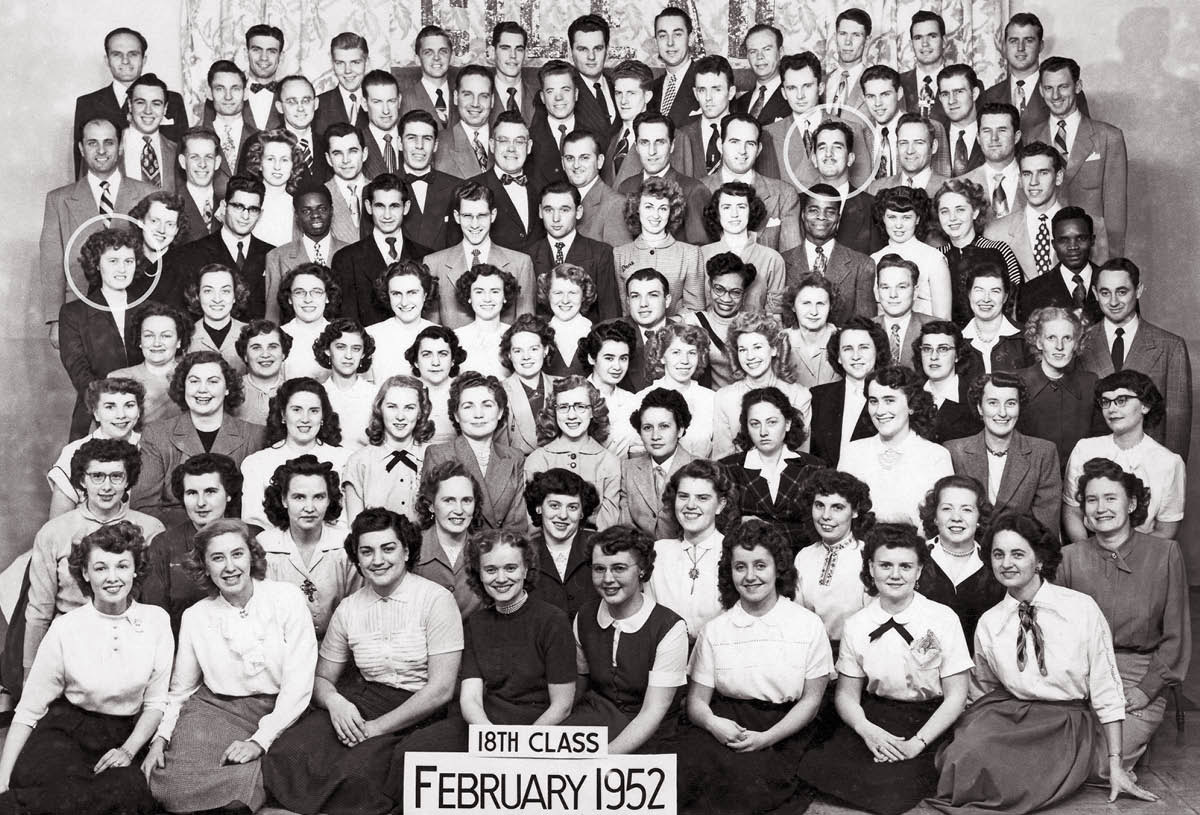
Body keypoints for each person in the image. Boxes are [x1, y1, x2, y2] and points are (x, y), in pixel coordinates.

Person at [930, 513, 1157, 812]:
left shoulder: (1080, 609)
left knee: (1013, 784)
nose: (1006, 563)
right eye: (998, 554)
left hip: (1064, 721)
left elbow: (1106, 686)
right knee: (963, 759)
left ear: (1039, 560)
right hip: (1009, 713)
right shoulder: (991, 622)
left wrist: (1116, 764)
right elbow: (982, 688)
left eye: (1018, 554)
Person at [261, 508, 461, 814]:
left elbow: (441, 690)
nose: (377, 560)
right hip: (363, 700)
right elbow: (322, 678)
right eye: (366, 551)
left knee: (359, 775)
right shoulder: (349, 608)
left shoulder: (435, 600)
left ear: (406, 551)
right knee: (289, 752)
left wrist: (377, 728)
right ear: (357, 558)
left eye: (388, 548)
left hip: (420, 709)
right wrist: (336, 703)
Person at [143, 519, 318, 813]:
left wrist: (259, 741)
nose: (229, 567)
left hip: (280, 708)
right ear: (205, 566)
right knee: (171, 784)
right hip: (215, 709)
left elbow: (299, 685)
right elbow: (180, 691)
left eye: (237, 554)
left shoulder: (286, 599)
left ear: (252, 556)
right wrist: (160, 738)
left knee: (252, 779)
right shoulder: (196, 616)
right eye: (217, 558)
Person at [797, 522, 972, 815]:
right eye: (885, 565)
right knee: (814, 766)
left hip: (928, 717)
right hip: (877, 714)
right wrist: (867, 731)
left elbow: (956, 697)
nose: (895, 574)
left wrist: (918, 743)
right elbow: (847, 696)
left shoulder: (942, 618)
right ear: (871, 569)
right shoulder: (857, 624)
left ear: (918, 571)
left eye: (905, 566)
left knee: (893, 790)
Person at [0, 523, 171, 815]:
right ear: (85, 574)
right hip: (67, 731)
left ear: (135, 571)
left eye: (122, 566)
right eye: (101, 568)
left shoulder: (157, 621)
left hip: (124, 735)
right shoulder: (66, 628)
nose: (113, 577)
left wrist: (128, 750)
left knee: (129, 792)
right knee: (48, 785)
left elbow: (155, 704)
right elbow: (28, 710)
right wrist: (1, 781)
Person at [677, 519, 833, 815]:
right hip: (726, 723)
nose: (750, 576)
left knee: (745, 789)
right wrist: (713, 724)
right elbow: (696, 702)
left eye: (760, 565)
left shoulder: (807, 625)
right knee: (684, 776)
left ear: (778, 569)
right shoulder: (716, 630)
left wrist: (765, 738)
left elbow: (812, 702)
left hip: (784, 730)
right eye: (740, 567)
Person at [1058, 459, 1192, 774]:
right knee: (1048, 756)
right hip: (1081, 680)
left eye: (1110, 498)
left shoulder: (1166, 555)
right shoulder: (1068, 559)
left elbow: (1176, 638)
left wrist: (1146, 690)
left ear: (1131, 503)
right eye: (1091, 500)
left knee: (1099, 767)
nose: (1100, 507)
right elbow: (1055, 635)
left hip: (1136, 678)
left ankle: (1132, 743)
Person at [398, 529, 576, 751]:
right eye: (491, 570)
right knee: (414, 748)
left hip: (540, 726)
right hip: (487, 725)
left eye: (510, 568)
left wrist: (523, 744)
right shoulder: (476, 623)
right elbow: (470, 699)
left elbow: (562, 706)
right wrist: (490, 737)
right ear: (479, 574)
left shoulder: (553, 620)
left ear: (525, 570)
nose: (501, 579)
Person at [24, 439, 165, 679]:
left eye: (116, 477)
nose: (106, 486)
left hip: (131, 645)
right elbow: (40, 610)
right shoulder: (54, 532)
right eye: (97, 476)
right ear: (82, 480)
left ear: (128, 480)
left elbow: (156, 610)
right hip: (70, 644)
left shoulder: (151, 529)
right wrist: (30, 674)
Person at [563, 525, 688, 753]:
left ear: (641, 569)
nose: (607, 579)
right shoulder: (585, 616)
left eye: (619, 568)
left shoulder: (670, 628)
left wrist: (601, 759)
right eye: (599, 569)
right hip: (596, 721)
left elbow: (653, 712)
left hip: (650, 732)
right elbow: (578, 686)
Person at [43, 117, 157, 347]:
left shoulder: (148, 194)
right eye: (92, 143)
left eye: (109, 142)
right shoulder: (59, 200)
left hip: (136, 310)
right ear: (81, 148)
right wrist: (56, 319)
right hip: (81, 310)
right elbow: (51, 262)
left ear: (121, 146)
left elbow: (158, 257)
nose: (102, 150)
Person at [133, 350, 265, 525]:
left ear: (227, 389)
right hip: (176, 537)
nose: (202, 389)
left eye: (213, 381)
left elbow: (257, 509)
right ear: (183, 386)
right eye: (194, 381)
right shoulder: (156, 434)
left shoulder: (256, 435)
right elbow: (143, 507)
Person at [1079, 257, 1192, 460]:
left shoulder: (1170, 347)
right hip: (1096, 472)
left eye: (1122, 292)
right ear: (1095, 294)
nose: (1113, 302)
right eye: (1105, 293)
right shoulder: (1080, 344)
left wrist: (1172, 476)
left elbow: (1177, 428)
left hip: (1149, 469)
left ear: (1138, 290)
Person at [1063, 371, 1185, 542]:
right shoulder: (1085, 449)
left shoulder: (1169, 462)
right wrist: (1088, 555)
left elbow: (1166, 531)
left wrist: (1129, 559)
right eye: (1106, 402)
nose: (1112, 409)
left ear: (1145, 405)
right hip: (1089, 550)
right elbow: (1072, 512)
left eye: (1121, 401)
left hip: (1142, 557)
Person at [1030, 56, 1127, 255]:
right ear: (1041, 91)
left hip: (1094, 249)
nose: (1055, 95)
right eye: (1048, 88)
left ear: (1078, 86)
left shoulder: (1108, 137)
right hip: (1046, 249)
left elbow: (1115, 209)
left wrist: (1113, 261)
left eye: (1063, 87)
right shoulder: (1031, 138)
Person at [140, 452, 245, 636]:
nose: (201, 503)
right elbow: (155, 617)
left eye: (210, 492)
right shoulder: (163, 544)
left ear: (228, 494)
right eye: (192, 493)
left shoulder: (250, 536)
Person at [945, 372, 1062, 532]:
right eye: (993, 403)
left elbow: (1045, 527)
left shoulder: (1043, 453)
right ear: (980, 407)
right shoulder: (953, 451)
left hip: (1021, 550)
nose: (1002, 413)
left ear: (1020, 407)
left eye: (1011, 403)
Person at [259, 455, 359, 637]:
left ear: (329, 500)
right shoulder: (265, 546)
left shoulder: (346, 546)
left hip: (341, 650)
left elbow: (357, 612)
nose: (309, 507)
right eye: (299, 497)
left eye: (319, 497)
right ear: (283, 500)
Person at [841, 365, 954, 526]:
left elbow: (941, 522)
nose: (879, 411)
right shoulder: (852, 452)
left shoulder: (936, 456)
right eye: (874, 401)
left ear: (912, 406)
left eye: (889, 400)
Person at [58, 228, 144, 439]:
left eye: (129, 261)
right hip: (94, 415)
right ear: (96, 264)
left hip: (145, 416)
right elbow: (79, 370)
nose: (122, 269)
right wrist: (112, 408)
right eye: (113, 261)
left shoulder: (150, 310)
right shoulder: (73, 313)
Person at [239, 376, 352, 531]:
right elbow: (255, 523)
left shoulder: (345, 460)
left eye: (313, 411)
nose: (305, 419)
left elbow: (347, 522)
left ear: (323, 416)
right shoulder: (256, 463)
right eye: (297, 410)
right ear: (283, 415)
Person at [990, 142, 1109, 285]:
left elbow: (1102, 286)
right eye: (1027, 174)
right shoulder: (995, 232)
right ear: (1020, 179)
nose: (1034, 182)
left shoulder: (1094, 225)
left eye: (1043, 173)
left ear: (1058, 177)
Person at [645, 459, 739, 639]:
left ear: (720, 505)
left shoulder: (734, 552)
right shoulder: (658, 552)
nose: (690, 505)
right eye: (683, 496)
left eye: (702, 498)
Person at [72, 27, 189, 171]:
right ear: (107, 60)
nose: (125, 61)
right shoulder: (88, 104)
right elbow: (82, 165)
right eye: (117, 54)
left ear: (144, 59)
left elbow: (185, 154)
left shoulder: (173, 100)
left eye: (133, 54)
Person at [424, 370, 528, 531]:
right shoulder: (439, 455)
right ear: (456, 415)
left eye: (487, 405)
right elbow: (430, 521)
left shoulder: (515, 458)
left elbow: (516, 526)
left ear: (500, 412)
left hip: (500, 551)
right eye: (468, 406)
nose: (478, 414)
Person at [424, 180, 536, 328]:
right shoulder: (434, 264)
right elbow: (432, 334)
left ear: (493, 215)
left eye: (482, 216)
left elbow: (526, 331)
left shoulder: (521, 264)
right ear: (457, 216)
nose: (475, 224)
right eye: (467, 216)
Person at [720, 386, 824, 541]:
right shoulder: (727, 469)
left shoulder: (814, 467)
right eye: (755, 424)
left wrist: (759, 527)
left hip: (800, 560)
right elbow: (722, 525)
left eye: (772, 422)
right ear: (747, 427)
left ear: (788, 424)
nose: (763, 432)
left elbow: (818, 527)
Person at [915, 474, 1005, 648]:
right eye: (947, 508)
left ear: (980, 518)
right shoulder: (915, 558)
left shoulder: (995, 564)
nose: (956, 517)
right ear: (934, 516)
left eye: (967, 509)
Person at [331, 172, 429, 326]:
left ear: (406, 207)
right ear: (368, 207)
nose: (387, 215)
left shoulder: (427, 256)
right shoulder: (346, 259)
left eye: (394, 206)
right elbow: (347, 322)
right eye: (380, 206)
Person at [172, 174, 275, 319]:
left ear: (260, 214)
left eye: (252, 209)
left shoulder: (272, 255)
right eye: (238, 206)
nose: (245, 216)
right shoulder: (192, 253)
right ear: (223, 206)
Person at [526, 375, 621, 528]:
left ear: (593, 411)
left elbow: (608, 525)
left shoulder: (609, 462)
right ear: (554, 412)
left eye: (580, 407)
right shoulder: (537, 460)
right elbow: (533, 523)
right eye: (563, 407)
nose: (571, 416)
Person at [713, 312, 812, 459]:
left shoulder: (799, 395)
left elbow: (802, 459)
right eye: (742, 350)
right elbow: (722, 458)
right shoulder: (725, 397)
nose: (750, 356)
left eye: (757, 347)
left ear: (774, 349)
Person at [700, 113, 803, 254]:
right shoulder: (698, 190)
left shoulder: (784, 194)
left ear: (759, 149)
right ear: (720, 144)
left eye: (750, 143)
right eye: (734, 142)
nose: (742, 151)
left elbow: (793, 259)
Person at [1016, 306, 1105, 468]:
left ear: (1076, 343)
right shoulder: (1017, 383)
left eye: (1067, 338)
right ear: (1038, 342)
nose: (1059, 346)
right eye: (1051, 338)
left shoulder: (1090, 385)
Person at [793, 468, 873, 643]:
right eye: (819, 505)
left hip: (856, 652)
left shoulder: (868, 556)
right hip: (810, 650)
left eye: (837, 507)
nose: (825, 516)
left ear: (855, 511)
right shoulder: (804, 557)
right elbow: (796, 618)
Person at [47, 377, 145, 517]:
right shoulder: (74, 451)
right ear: (96, 413)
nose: (121, 415)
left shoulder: (151, 446)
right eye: (110, 407)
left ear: (139, 411)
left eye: (129, 405)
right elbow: (58, 522)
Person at [344, 374, 435, 524]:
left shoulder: (435, 456)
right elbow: (355, 531)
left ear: (420, 412)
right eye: (392, 407)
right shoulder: (359, 462)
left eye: (409, 408)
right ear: (380, 409)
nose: (400, 416)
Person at [780, 184, 876, 325]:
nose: (821, 217)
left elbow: (865, 326)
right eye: (813, 210)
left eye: (830, 212)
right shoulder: (782, 262)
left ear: (838, 218)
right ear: (803, 215)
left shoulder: (861, 264)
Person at [934, 178, 1025, 326]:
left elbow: (1015, 303)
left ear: (975, 212)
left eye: (960, 210)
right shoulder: (936, 257)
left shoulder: (999, 250)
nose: (952, 218)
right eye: (945, 211)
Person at [980, 12, 1091, 133]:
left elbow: (1083, 139)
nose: (1020, 48)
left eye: (1028, 40)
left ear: (1041, 46)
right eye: (1013, 41)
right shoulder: (989, 96)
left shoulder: (1066, 92)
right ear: (1004, 47)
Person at [531, 180, 620, 322]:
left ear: (578, 212)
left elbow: (610, 314)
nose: (556, 218)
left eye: (564, 210)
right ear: (540, 212)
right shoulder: (528, 256)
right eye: (549, 210)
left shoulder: (600, 253)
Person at [615, 112, 710, 244]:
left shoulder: (693, 190)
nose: (652, 151)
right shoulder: (626, 187)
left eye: (659, 142)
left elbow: (700, 251)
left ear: (672, 146)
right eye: (644, 142)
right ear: (636, 147)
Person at [614, 177, 705, 315]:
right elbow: (624, 309)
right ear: (637, 209)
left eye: (663, 208)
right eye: (649, 207)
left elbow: (695, 309)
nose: (655, 215)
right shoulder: (620, 254)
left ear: (672, 212)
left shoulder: (690, 254)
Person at [809, 317, 890, 466]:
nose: (856, 356)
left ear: (877, 352)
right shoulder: (817, 397)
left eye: (864, 347)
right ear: (839, 357)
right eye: (847, 349)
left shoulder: (892, 399)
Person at [263, 183, 348, 322]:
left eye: (322, 209)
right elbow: (273, 315)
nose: (315, 215)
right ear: (296, 215)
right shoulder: (277, 256)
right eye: (306, 211)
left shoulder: (350, 252)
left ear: (331, 211)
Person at [525, 468, 600, 618]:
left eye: (572, 507)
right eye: (554, 505)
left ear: (582, 512)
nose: (563, 515)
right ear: (539, 507)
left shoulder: (600, 547)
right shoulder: (524, 553)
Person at [700, 183, 785, 314]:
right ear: (717, 213)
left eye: (741, 207)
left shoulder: (772, 259)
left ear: (751, 211)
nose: (734, 214)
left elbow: (775, 315)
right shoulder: (701, 255)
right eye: (726, 207)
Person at [620, 388, 692, 540]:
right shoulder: (627, 469)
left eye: (664, 426)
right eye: (647, 428)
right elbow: (625, 527)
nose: (655, 436)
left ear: (680, 430)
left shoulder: (700, 469)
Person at [870, 187, 952, 320]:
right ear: (883, 218)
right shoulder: (873, 259)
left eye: (906, 217)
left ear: (918, 219)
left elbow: (944, 318)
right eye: (892, 217)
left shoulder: (934, 259)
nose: (898, 225)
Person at [468, 110, 545, 250]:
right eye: (503, 141)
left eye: (519, 141)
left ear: (529, 147)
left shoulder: (543, 188)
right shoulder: (471, 188)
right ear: (491, 145)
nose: (511, 148)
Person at [635, 323, 715, 458]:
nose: (685, 361)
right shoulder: (640, 399)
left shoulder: (712, 399)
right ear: (661, 356)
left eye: (692, 353)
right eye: (676, 352)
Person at [1015, 206, 1104, 325]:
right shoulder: (1031, 292)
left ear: (1092, 240)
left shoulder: (1112, 283)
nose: (1073, 247)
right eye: (1064, 240)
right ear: (1054, 244)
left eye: (1081, 238)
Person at [108, 301, 191, 426]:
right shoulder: (118, 378)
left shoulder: (193, 377)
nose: (157, 343)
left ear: (179, 341)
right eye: (149, 335)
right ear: (140, 340)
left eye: (166, 336)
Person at [682, 252, 753, 390]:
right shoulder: (694, 322)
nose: (726, 299)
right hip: (711, 401)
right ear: (710, 285)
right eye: (719, 289)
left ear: (744, 293)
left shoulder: (752, 324)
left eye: (735, 292)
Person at [363, 260, 438, 382]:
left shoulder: (441, 335)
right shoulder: (370, 335)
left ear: (425, 294)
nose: (404, 302)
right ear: (387, 295)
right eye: (397, 294)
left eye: (412, 293)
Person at [959, 258, 1032, 382]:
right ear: (969, 294)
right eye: (979, 290)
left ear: (1005, 297)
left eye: (995, 291)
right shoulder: (957, 340)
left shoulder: (1026, 338)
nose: (986, 299)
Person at [953, 103, 1024, 225]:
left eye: (1002, 130)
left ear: (1016, 137)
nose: (994, 138)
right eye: (987, 131)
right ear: (978, 138)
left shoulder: (1035, 181)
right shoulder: (959, 186)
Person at [579, 318, 641, 456]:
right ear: (591, 358)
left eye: (623, 358)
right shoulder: (574, 396)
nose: (617, 366)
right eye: (609, 358)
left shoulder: (632, 401)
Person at [496, 315, 556, 454]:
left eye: (534, 349)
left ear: (546, 350)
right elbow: (500, 453)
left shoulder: (563, 387)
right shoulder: (498, 392)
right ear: (509, 355)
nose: (526, 356)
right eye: (518, 351)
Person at [670, 55, 737, 179]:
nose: (708, 98)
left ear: (731, 92)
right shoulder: (680, 135)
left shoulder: (746, 134)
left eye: (716, 89)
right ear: (695, 93)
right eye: (702, 90)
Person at [914, 321, 980, 443]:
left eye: (943, 349)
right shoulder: (910, 395)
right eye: (927, 349)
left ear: (957, 355)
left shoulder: (974, 398)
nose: (934, 356)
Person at [317, 318, 376, 449]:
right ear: (327, 350)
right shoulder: (316, 395)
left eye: (356, 349)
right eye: (341, 347)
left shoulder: (376, 395)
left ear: (363, 354)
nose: (348, 356)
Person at [452, 263, 518, 378]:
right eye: (479, 292)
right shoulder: (456, 337)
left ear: (505, 297)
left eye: (495, 291)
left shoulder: (516, 336)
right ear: (469, 297)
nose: (487, 299)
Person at [404, 325, 467, 445]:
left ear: (453, 360)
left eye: (443, 354)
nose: (435, 363)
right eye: (427, 354)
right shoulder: (404, 394)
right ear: (416, 361)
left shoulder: (466, 393)